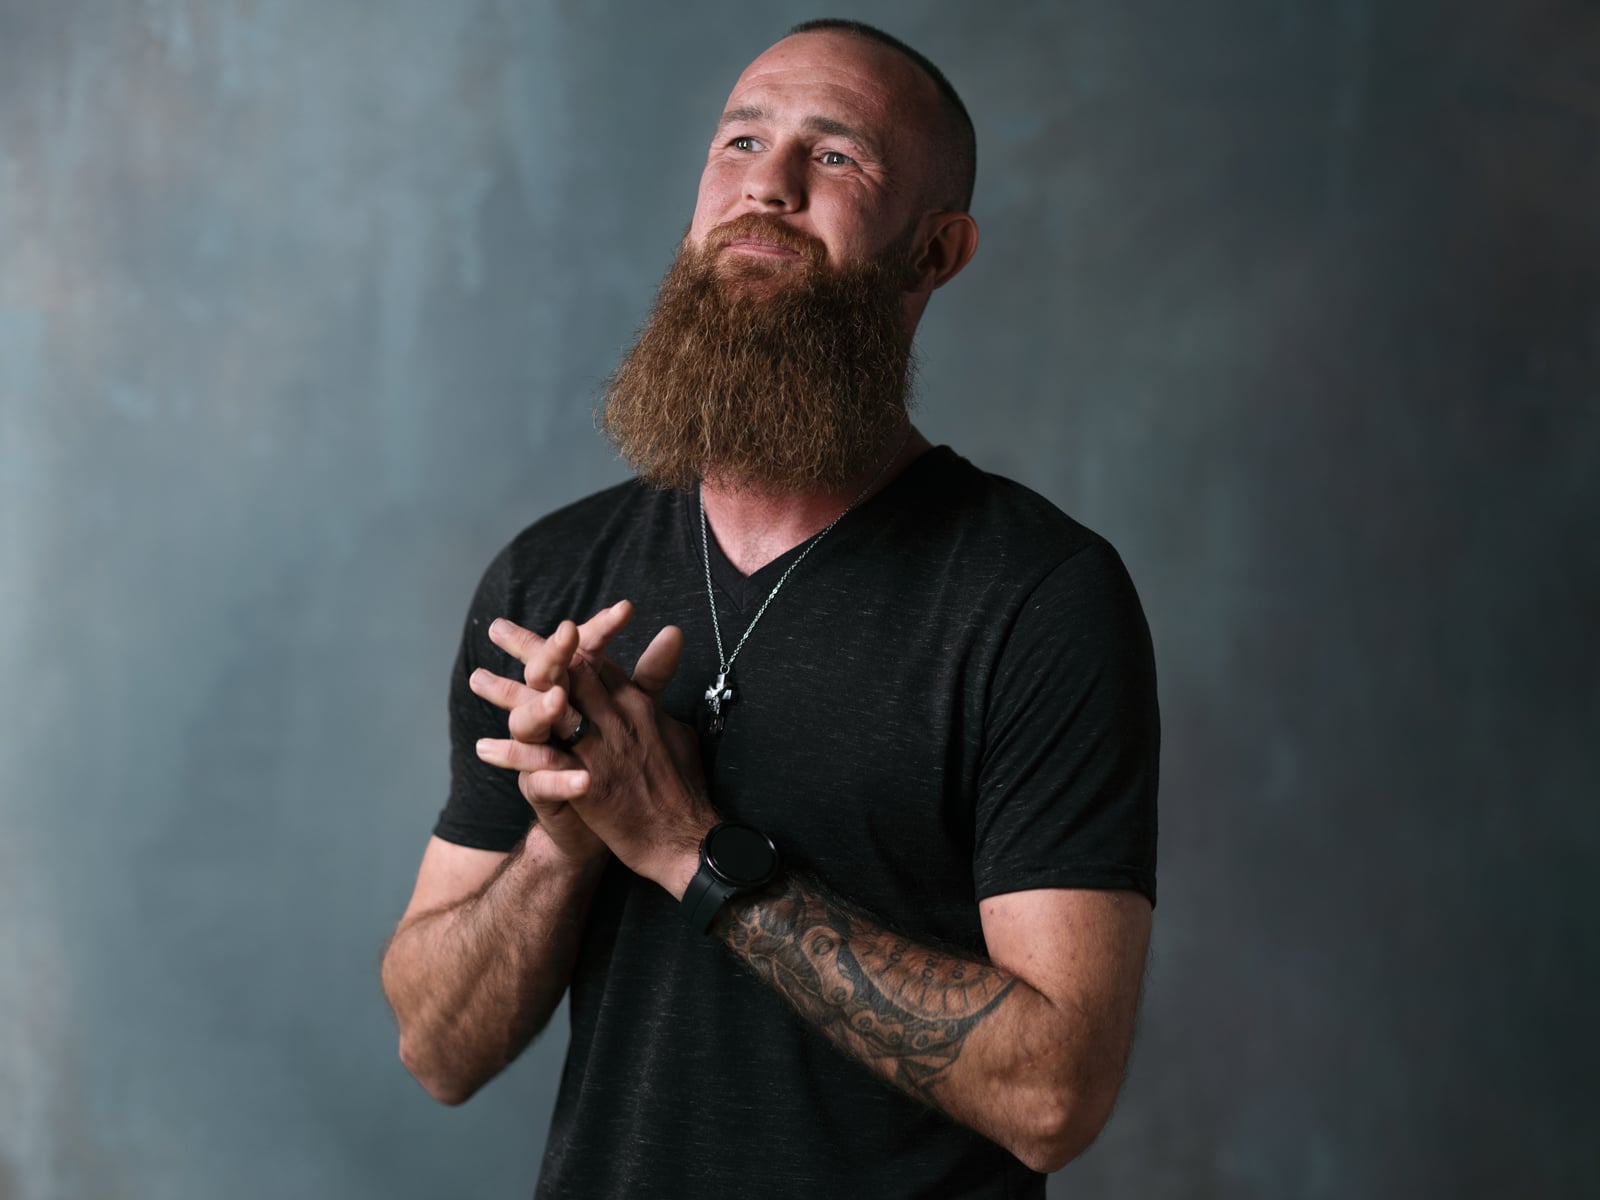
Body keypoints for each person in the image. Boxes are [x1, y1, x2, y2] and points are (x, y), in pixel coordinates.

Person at [380, 18, 1158, 1199]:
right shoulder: (555, 579)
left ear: (934, 253)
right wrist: (568, 837)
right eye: (739, 141)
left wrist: (690, 850)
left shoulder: (1037, 598)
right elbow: (436, 1050)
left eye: (835, 158)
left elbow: (1054, 1096)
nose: (768, 186)